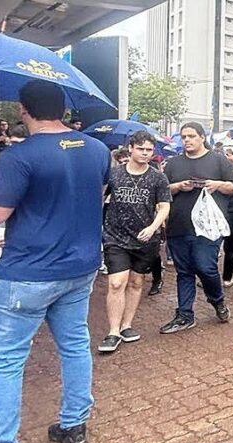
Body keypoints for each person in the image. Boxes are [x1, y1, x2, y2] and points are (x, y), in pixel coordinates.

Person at [0, 80, 110, 443]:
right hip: (79, 267)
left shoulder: (19, 156)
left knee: (4, 361)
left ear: (24, 111)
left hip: (27, 273)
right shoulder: (96, 149)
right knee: (75, 345)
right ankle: (75, 427)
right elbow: (93, 195)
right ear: (61, 108)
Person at [160, 122, 233, 334]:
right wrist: (179, 186)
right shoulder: (173, 163)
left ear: (202, 137)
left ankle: (217, 300)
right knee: (184, 271)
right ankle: (184, 314)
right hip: (179, 225)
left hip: (208, 227)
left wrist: (217, 184)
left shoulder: (219, 160)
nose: (187, 140)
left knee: (205, 265)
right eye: (184, 137)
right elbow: (163, 191)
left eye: (191, 136)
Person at [98, 131, 171, 353]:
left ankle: (126, 325)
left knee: (136, 282)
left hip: (145, 238)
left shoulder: (158, 177)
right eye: (141, 149)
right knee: (116, 282)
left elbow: (165, 206)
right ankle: (113, 331)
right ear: (130, 148)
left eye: (149, 150)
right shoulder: (114, 174)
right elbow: (99, 198)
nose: (145, 154)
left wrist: (153, 227)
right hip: (115, 236)